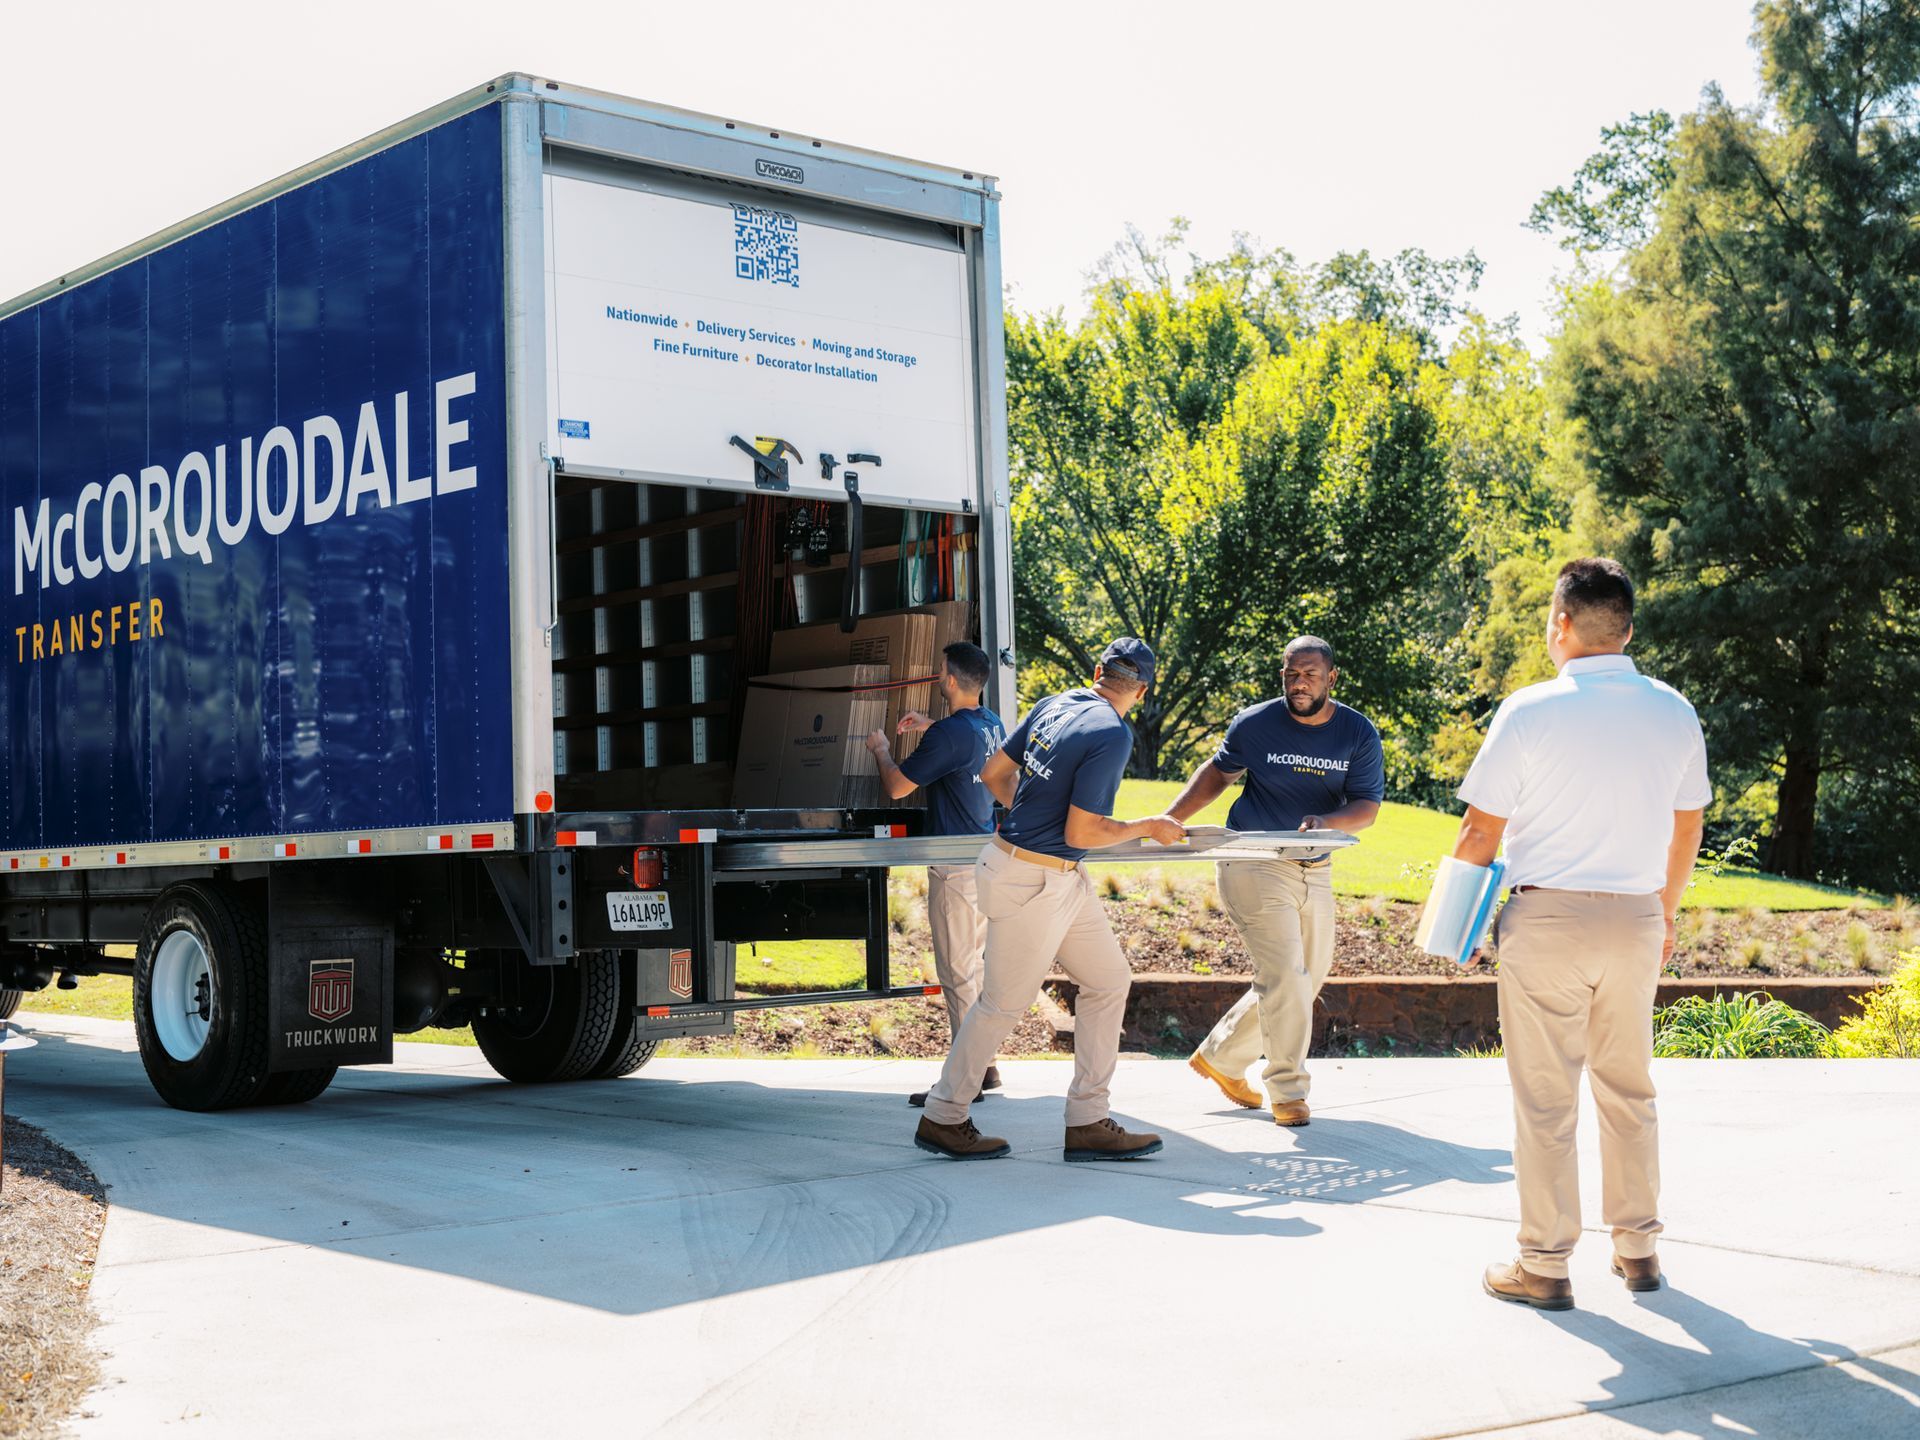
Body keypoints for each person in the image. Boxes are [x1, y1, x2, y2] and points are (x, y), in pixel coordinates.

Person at [1451, 558, 1709, 1312]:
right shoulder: (1674, 710)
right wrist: (1664, 911)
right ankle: (1638, 1251)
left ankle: (1545, 1264)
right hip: (1634, 917)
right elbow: (1686, 822)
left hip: (1549, 918)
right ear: (1626, 629)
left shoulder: (1530, 709)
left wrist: (1452, 929)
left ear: (1561, 624)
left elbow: (1478, 831)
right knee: (1629, 1088)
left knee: (1545, 1099)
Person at [913, 638, 1185, 1163]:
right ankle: (944, 1116)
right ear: (1143, 691)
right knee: (1000, 1005)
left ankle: (1087, 1120)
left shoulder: (1054, 704)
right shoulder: (1111, 732)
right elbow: (1083, 831)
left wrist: (1032, 813)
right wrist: (1148, 827)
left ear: (1097, 670)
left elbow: (994, 775)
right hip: (1034, 880)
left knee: (1109, 980)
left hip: (1040, 871)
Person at [1167, 636, 1385, 1126]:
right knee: (1287, 975)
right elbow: (1217, 774)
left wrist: (1327, 820)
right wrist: (1171, 818)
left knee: (1305, 977)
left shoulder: (1357, 733)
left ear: (1331, 678)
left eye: (1309, 674)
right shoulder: (1256, 723)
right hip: (1254, 859)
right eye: (1290, 674)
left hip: (1315, 864)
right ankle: (1288, 1091)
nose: (1298, 683)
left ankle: (1221, 1058)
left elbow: (1367, 807)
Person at [865, 641, 1006, 1107]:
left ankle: (965, 1079)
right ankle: (983, 1066)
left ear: (948, 679)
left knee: (957, 972)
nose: (936, 676)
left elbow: (898, 786)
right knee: (974, 969)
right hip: (983, 858)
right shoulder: (989, 724)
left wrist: (882, 749)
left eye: (939, 670)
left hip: (954, 867)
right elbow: (963, 751)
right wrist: (932, 728)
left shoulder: (947, 736)